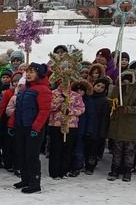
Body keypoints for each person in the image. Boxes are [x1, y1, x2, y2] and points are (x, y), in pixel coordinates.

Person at [13, 63, 52, 194]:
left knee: (31, 155)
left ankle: (35, 183)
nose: (29, 74)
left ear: (39, 74)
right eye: (27, 71)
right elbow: (18, 109)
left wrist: (36, 128)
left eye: (32, 72)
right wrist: (12, 124)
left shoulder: (43, 89)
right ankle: (25, 179)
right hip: (21, 126)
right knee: (22, 153)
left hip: (33, 128)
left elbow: (44, 111)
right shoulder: (24, 88)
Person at [107, 71, 136, 182]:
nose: (126, 81)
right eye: (124, 79)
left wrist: (128, 109)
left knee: (129, 151)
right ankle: (114, 170)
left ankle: (127, 171)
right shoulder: (116, 90)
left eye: (128, 79)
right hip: (118, 125)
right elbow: (111, 103)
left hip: (131, 127)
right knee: (117, 150)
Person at [47, 80, 85, 180]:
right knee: (56, 148)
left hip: (70, 125)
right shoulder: (53, 94)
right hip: (56, 124)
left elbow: (81, 108)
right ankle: (54, 172)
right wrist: (58, 104)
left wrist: (71, 111)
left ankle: (64, 171)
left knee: (67, 148)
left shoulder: (75, 95)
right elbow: (48, 106)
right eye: (62, 82)